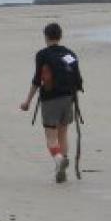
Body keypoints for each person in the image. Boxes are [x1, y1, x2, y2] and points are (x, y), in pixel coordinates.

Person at [19, 22, 84, 183]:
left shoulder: (42, 55)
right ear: (60, 36)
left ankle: (59, 160)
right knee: (63, 133)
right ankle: (61, 165)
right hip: (69, 98)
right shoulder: (70, 53)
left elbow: (36, 80)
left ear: (46, 37)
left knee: (51, 137)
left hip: (50, 99)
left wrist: (27, 101)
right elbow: (78, 79)